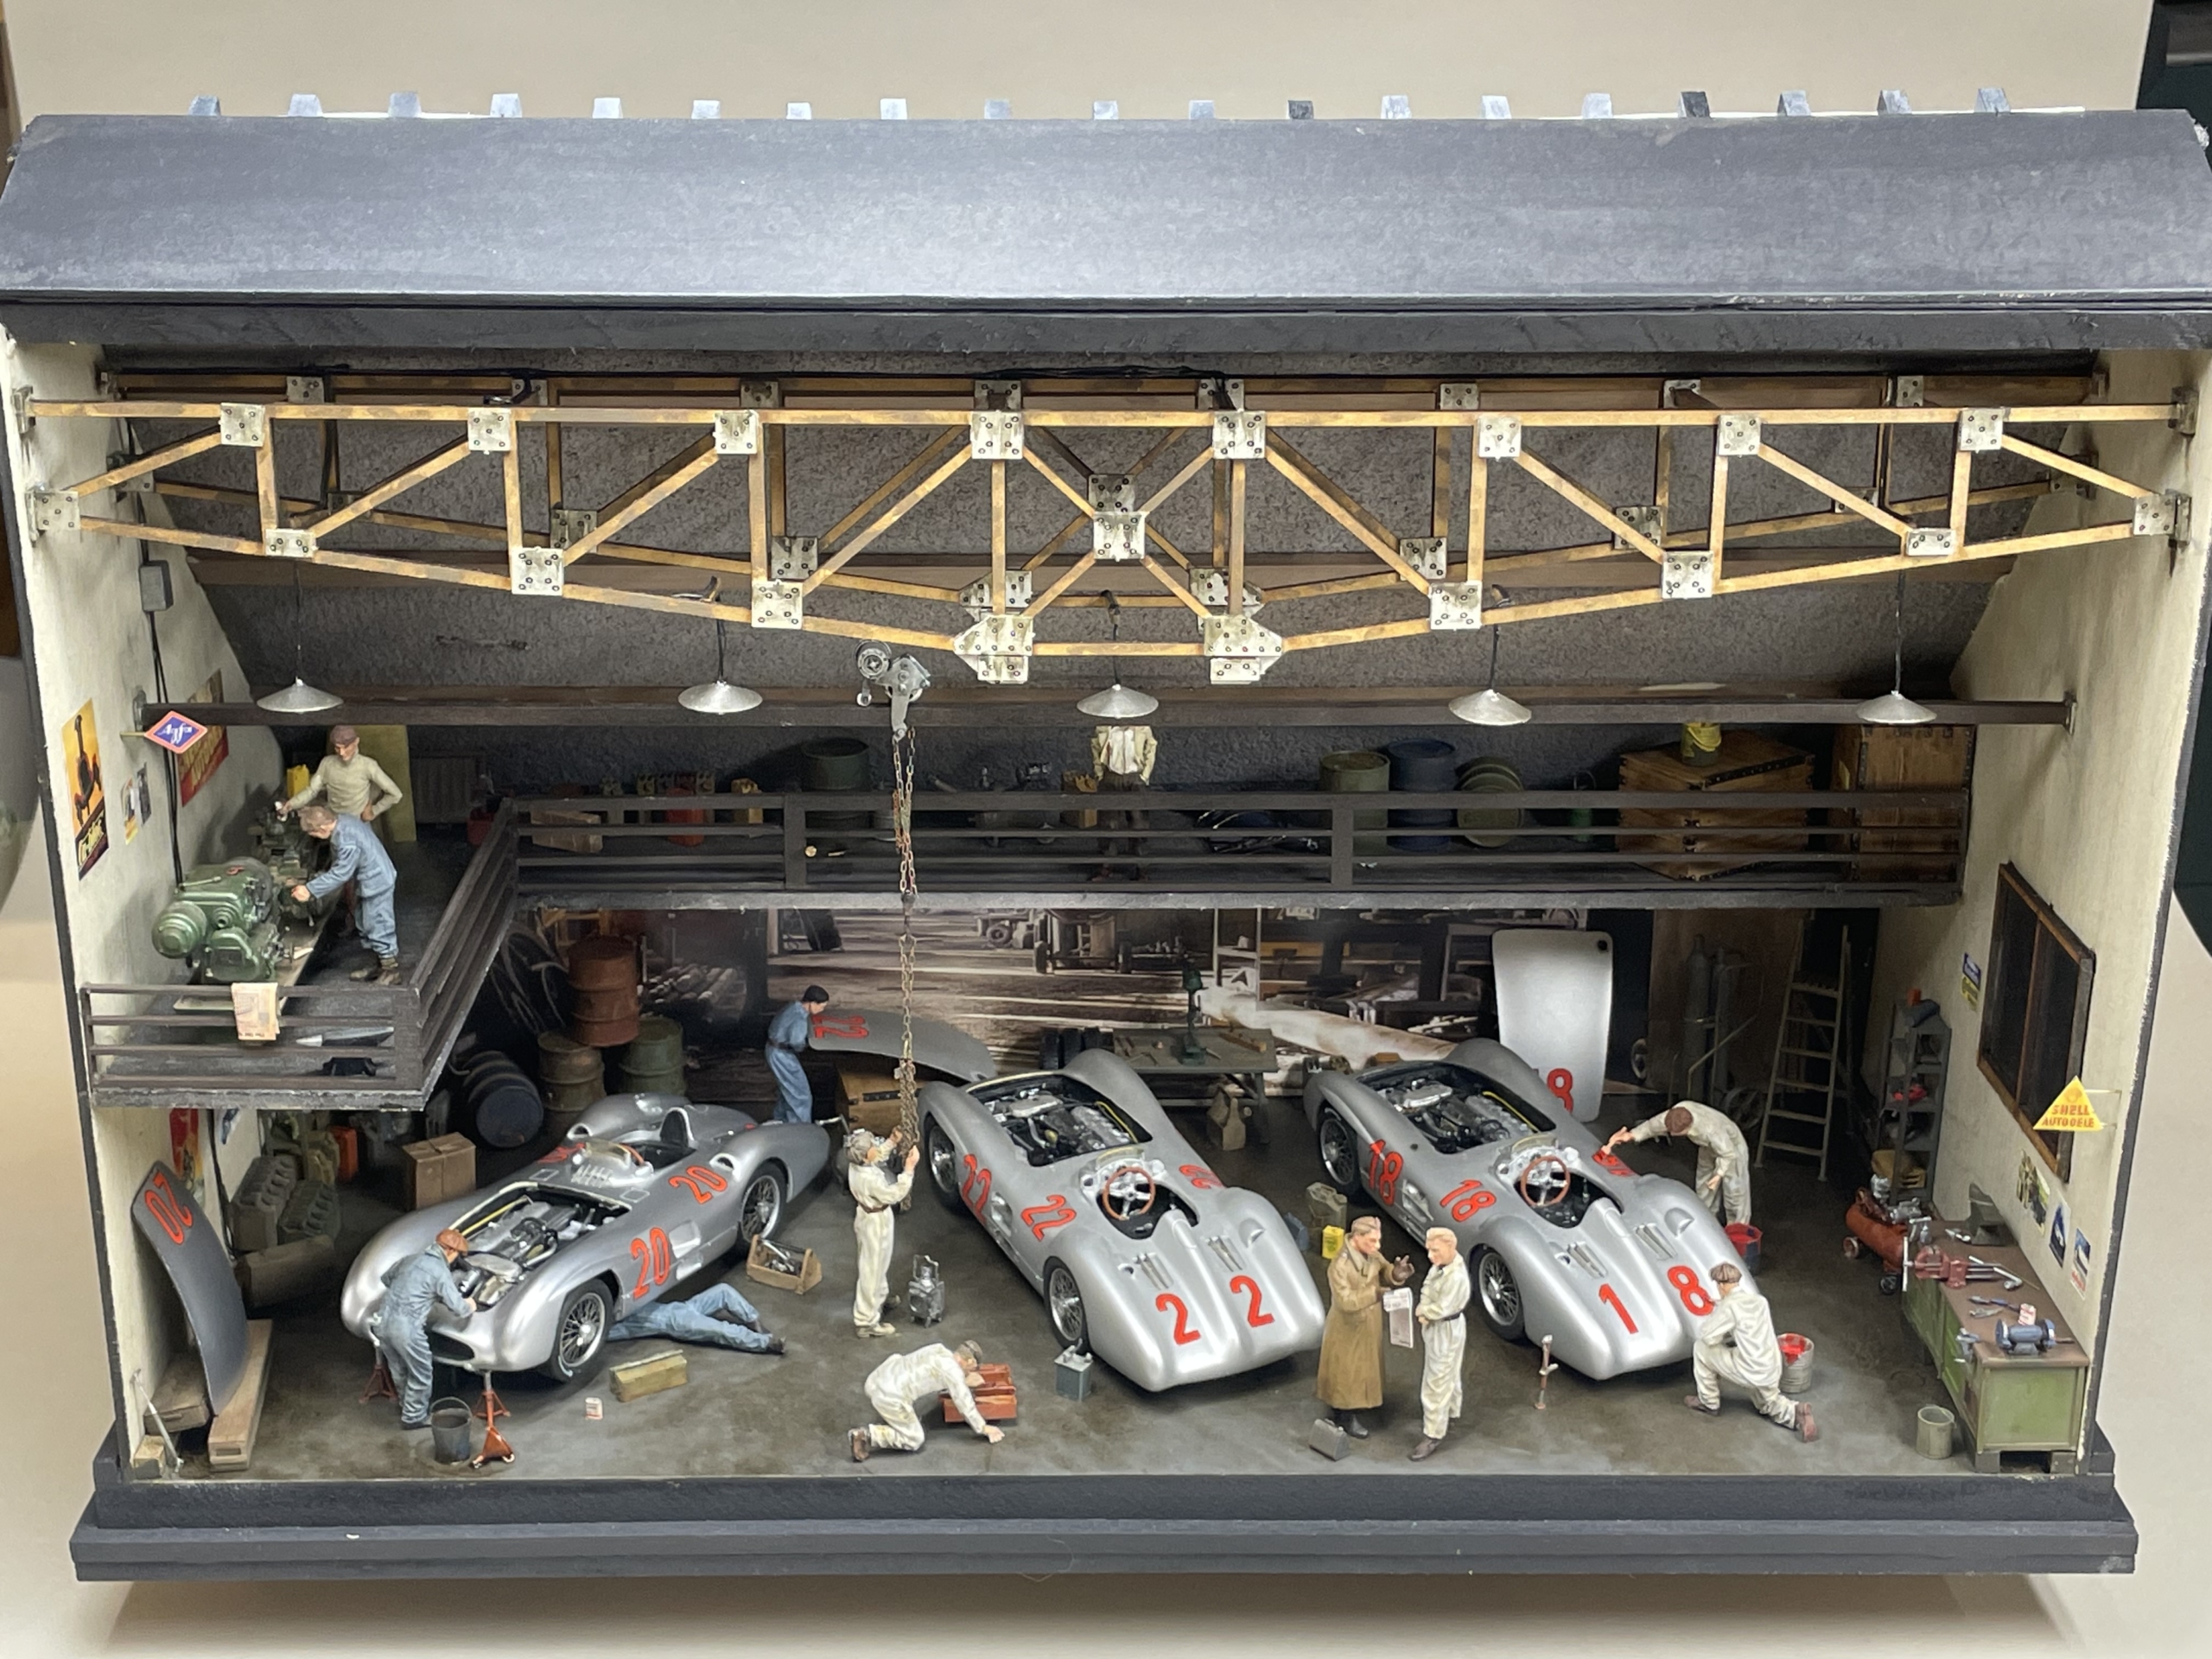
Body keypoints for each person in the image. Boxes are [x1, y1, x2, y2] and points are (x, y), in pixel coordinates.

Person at [1685, 1261, 1817, 1442]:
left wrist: (1719, 1314)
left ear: (1721, 1285)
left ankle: (1708, 1402)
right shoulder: (1760, 1301)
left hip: (1751, 1369)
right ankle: (1797, 1412)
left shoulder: (1730, 1307)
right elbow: (1745, 1317)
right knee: (1767, 1402)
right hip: (1770, 1365)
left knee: (1701, 1348)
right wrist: (1721, 1305)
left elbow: (1708, 1337)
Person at [1314, 1214, 1413, 1439]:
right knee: (1345, 1373)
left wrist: (1395, 1274)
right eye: (1372, 1241)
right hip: (1347, 1328)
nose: (1377, 1246)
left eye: (1378, 1240)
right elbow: (1345, 1300)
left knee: (1365, 1368)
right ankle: (1343, 1414)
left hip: (1368, 1323)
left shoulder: (1371, 1254)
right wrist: (1374, 1294)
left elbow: (1384, 1269)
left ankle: (1360, 1401)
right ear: (1357, 1237)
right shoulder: (1340, 1266)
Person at [291, 802, 401, 982]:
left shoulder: (346, 840)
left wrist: (310, 889)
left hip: (377, 881)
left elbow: (341, 873)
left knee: (378, 923)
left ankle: (391, 970)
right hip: (369, 879)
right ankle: (379, 965)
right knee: (364, 921)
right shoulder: (344, 820)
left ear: (322, 828)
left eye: (313, 833)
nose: (314, 837)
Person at [377, 1228, 473, 1429]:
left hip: (382, 1322)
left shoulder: (409, 1259)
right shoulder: (439, 1271)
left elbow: (386, 1279)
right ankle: (414, 1418)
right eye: (457, 1256)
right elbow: (459, 1309)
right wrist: (471, 1304)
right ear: (450, 1251)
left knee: (399, 1369)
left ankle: (406, 1407)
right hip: (406, 1329)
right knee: (421, 1372)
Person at [849, 1339, 1006, 1461]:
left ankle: (891, 1418)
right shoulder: (953, 1372)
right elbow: (964, 1403)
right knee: (914, 1439)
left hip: (876, 1380)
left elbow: (934, 1375)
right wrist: (982, 1427)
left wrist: (962, 1380)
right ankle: (866, 1435)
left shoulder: (938, 1348)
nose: (971, 1371)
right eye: (973, 1368)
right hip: (889, 1396)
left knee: (899, 1359)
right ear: (970, 1362)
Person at [1605, 1100, 1752, 1226]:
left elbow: (1728, 1153)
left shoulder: (1710, 1129)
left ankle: (1738, 1228)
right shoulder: (1676, 1113)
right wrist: (1632, 1135)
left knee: (1735, 1193)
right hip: (1707, 1147)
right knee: (1704, 1187)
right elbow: (1654, 1125)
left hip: (1732, 1148)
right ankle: (1707, 1222)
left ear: (1688, 1128)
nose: (1673, 1135)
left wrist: (1719, 1174)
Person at [848, 1129, 919, 1338]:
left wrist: (891, 1142)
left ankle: (878, 1297)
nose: (875, 1148)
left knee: (879, 1263)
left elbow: (876, 1155)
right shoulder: (869, 1180)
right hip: (875, 1223)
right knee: (872, 1268)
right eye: (871, 1146)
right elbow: (894, 1194)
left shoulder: (858, 1165)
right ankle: (866, 1320)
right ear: (864, 1155)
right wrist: (909, 1170)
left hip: (868, 1216)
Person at [1409, 1226, 1469, 1461]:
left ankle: (1433, 1433)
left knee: (1436, 1380)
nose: (1430, 1256)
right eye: (1429, 1250)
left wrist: (1425, 1312)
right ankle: (1451, 1411)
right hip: (1438, 1327)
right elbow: (1427, 1287)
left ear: (1450, 1247)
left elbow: (1443, 1307)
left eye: (1435, 1250)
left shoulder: (1455, 1277)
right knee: (1448, 1372)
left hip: (1446, 1328)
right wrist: (1425, 1307)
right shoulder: (1440, 1267)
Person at [607, 1280, 785, 1355]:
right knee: (719, 1329)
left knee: (723, 1290)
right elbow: (606, 1335)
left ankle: (753, 1321)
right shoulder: (613, 1327)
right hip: (674, 1322)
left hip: (683, 1306)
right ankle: (765, 1343)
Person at [277, 725, 404, 826]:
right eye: (337, 748)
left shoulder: (368, 765)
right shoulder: (327, 764)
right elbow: (311, 790)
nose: (342, 753)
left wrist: (374, 811)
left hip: (358, 824)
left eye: (346, 747)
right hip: (334, 823)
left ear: (356, 742)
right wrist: (291, 804)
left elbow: (395, 794)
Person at [1090, 720, 1155, 881]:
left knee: (1139, 822)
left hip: (1134, 776)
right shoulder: (1104, 726)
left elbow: (1151, 746)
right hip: (1111, 775)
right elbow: (1096, 748)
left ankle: (1142, 867)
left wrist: (1144, 775)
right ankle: (1106, 865)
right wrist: (1099, 774)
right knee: (1108, 822)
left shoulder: (1141, 726)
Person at [765, 985, 830, 1123]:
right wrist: (807, 1045)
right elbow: (797, 1042)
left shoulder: (792, 1007)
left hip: (773, 1049)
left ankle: (781, 1120)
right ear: (812, 1003)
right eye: (821, 1006)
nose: (822, 1010)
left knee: (787, 1090)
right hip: (782, 1055)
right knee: (801, 1094)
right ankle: (800, 1126)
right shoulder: (800, 1018)